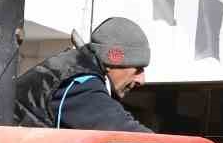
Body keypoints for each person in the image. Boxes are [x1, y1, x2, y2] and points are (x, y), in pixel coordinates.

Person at [13, 17, 153, 132]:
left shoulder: (76, 70)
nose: (142, 80)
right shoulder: (80, 84)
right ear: (113, 60)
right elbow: (124, 130)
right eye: (138, 69)